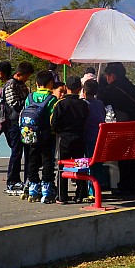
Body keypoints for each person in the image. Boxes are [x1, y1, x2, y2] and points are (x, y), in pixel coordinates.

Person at [99, 62, 135, 194]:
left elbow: (101, 102)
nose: (106, 79)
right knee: (134, 155)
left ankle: (124, 185)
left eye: (107, 76)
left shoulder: (113, 89)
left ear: (112, 76)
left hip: (124, 128)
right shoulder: (130, 85)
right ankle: (131, 184)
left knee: (123, 155)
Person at [51, 75, 91, 203]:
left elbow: (54, 122)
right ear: (80, 88)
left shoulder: (61, 104)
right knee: (79, 165)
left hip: (65, 137)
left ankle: (62, 195)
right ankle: (81, 193)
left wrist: (59, 131)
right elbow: (86, 119)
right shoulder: (83, 104)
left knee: (62, 166)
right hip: (79, 136)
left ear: (66, 88)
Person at [20, 70, 58, 203]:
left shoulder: (30, 97)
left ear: (37, 83)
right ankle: (47, 187)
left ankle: (33, 186)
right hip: (47, 134)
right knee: (47, 160)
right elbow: (53, 118)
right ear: (51, 83)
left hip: (31, 133)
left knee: (33, 159)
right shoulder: (52, 99)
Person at [0, 61, 34, 195]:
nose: (27, 79)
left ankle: (27, 179)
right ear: (19, 74)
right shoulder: (10, 85)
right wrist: (28, 102)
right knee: (16, 151)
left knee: (27, 151)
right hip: (14, 122)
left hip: (24, 122)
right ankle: (12, 180)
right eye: (26, 76)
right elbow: (14, 104)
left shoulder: (22, 85)